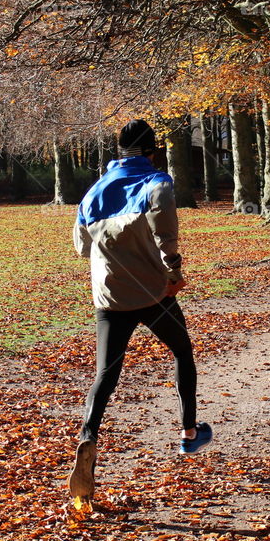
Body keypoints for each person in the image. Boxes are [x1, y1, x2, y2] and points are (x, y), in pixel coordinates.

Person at [68, 119, 212, 500]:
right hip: (153, 294)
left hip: (109, 297)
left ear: (120, 151)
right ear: (151, 151)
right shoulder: (157, 183)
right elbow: (167, 236)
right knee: (182, 351)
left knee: (106, 373)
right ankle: (188, 433)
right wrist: (175, 272)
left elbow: (83, 247)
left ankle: (88, 435)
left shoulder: (93, 191)